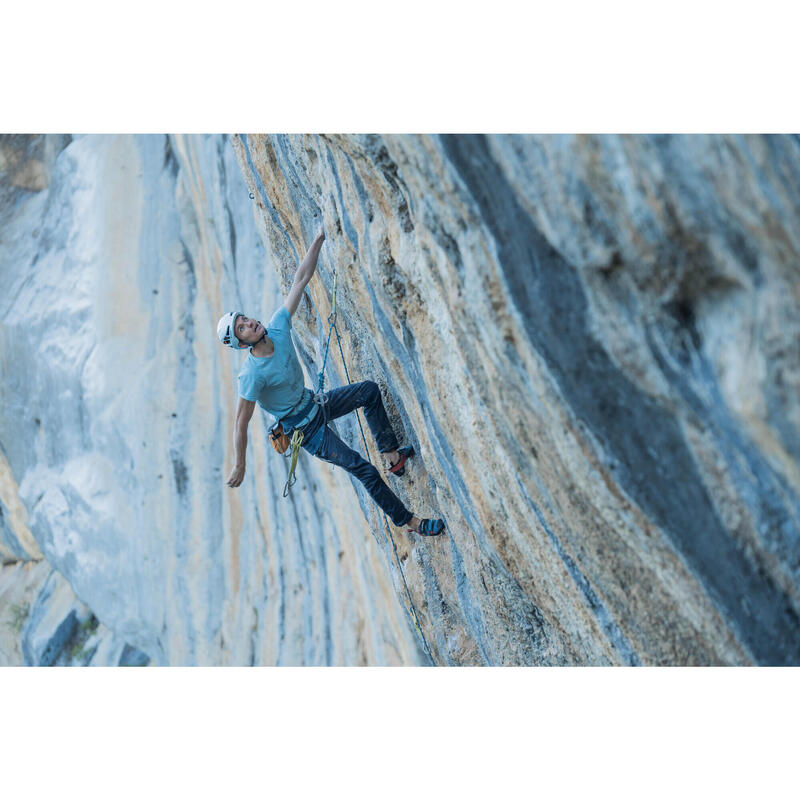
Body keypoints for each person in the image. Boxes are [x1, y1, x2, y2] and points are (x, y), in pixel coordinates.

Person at [217, 226, 445, 537]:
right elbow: (240, 423)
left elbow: (300, 279)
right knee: (362, 468)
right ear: (241, 344)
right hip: (307, 432)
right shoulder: (251, 375)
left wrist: (320, 238)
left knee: (368, 391)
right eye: (242, 328)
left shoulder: (277, 326)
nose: (249, 323)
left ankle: (393, 457)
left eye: (245, 319)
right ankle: (411, 522)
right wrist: (239, 465)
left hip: (316, 403)